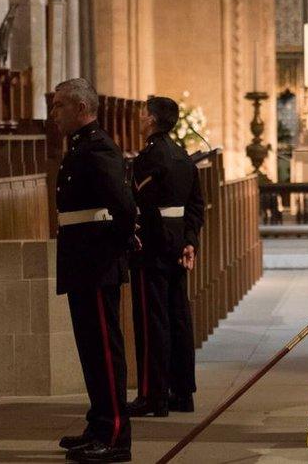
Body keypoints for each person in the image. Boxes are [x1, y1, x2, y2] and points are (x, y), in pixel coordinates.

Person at [51, 78, 134, 463]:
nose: (54, 115)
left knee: (104, 350)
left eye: (59, 106)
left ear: (81, 108)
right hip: (82, 260)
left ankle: (115, 434)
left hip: (96, 261)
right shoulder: (81, 147)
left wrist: (109, 253)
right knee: (90, 350)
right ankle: (99, 423)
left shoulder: (99, 147)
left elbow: (124, 207)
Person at [126, 96, 205, 418]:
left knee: (151, 322)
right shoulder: (182, 156)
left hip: (152, 247)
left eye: (143, 113)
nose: (139, 118)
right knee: (178, 319)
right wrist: (188, 241)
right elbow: (195, 205)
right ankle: (182, 393)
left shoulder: (150, 157)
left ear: (152, 120)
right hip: (175, 245)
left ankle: (152, 395)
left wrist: (142, 240)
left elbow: (140, 205)